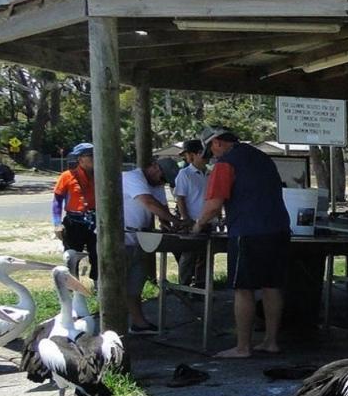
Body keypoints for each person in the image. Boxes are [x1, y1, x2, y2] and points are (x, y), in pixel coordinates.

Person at [192, 126, 291, 357]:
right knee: (272, 286)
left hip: (248, 232)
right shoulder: (263, 158)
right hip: (278, 229)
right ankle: (271, 342)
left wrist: (198, 225)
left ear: (217, 143)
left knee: (243, 288)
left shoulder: (225, 163)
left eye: (211, 150)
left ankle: (242, 347)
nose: (212, 156)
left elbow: (214, 204)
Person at [122, 159, 175, 332]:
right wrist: (177, 221)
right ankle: (113, 327)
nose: (162, 182)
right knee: (116, 285)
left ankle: (139, 323)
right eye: (162, 177)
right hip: (120, 239)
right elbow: (149, 202)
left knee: (135, 284)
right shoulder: (132, 177)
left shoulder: (156, 184)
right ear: (154, 166)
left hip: (140, 239)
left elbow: (162, 208)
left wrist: (169, 223)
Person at [51, 143, 98, 279]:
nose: (94, 158)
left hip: (95, 222)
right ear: (80, 159)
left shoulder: (101, 175)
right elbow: (57, 201)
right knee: (71, 257)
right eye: (90, 155)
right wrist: (57, 224)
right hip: (74, 222)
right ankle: (72, 289)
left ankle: (98, 287)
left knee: (97, 254)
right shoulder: (67, 176)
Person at [172, 139, 210, 287]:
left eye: (187, 154)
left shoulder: (210, 173)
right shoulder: (184, 173)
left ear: (194, 154)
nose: (186, 158)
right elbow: (180, 198)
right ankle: (184, 287)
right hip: (193, 220)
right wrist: (186, 218)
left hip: (208, 221)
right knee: (188, 256)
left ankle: (201, 287)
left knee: (204, 257)